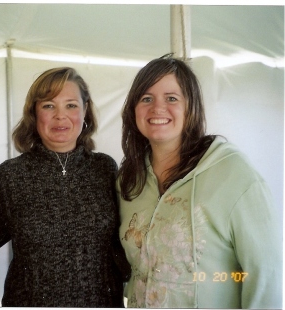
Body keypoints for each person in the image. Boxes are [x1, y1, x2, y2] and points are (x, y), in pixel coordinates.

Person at [117, 54, 283, 308]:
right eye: (146, 98)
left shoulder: (234, 174)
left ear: (191, 107)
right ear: (133, 110)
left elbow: (265, 273)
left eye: (171, 98)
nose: (157, 108)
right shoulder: (128, 181)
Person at [0, 67, 130, 307]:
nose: (60, 116)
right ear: (34, 113)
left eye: (71, 105)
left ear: (86, 111)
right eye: (49, 105)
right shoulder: (10, 175)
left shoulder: (105, 168)